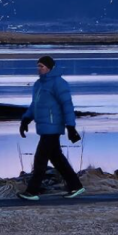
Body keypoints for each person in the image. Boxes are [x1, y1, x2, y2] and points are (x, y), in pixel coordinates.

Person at [18, 55, 86, 200]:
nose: (39, 69)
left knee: (40, 159)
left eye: (41, 66)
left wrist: (70, 127)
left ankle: (32, 191)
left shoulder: (59, 83)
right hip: (44, 127)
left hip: (53, 127)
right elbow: (35, 105)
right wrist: (26, 119)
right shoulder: (38, 84)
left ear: (49, 67)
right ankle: (76, 186)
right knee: (57, 159)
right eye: (38, 66)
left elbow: (67, 106)